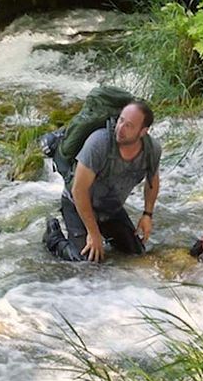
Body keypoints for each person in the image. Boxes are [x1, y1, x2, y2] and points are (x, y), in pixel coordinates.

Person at [43, 101, 161, 262]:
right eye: (121, 120)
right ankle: (53, 236)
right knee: (85, 262)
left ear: (143, 132)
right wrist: (93, 233)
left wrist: (147, 215)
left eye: (129, 126)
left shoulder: (151, 150)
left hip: (110, 207)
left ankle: (102, 232)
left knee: (136, 254)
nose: (120, 129)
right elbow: (79, 190)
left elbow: (152, 180)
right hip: (77, 204)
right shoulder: (99, 142)